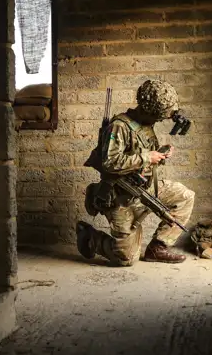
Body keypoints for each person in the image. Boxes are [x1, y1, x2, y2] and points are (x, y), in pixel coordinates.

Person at [76, 79, 195, 266]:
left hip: (143, 188)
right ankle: (91, 238)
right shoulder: (119, 126)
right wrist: (148, 157)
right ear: (149, 111)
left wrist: (161, 154)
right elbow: (110, 162)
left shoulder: (146, 125)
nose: (160, 120)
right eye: (159, 117)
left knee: (185, 196)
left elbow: (141, 160)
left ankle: (157, 248)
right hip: (120, 195)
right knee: (126, 259)